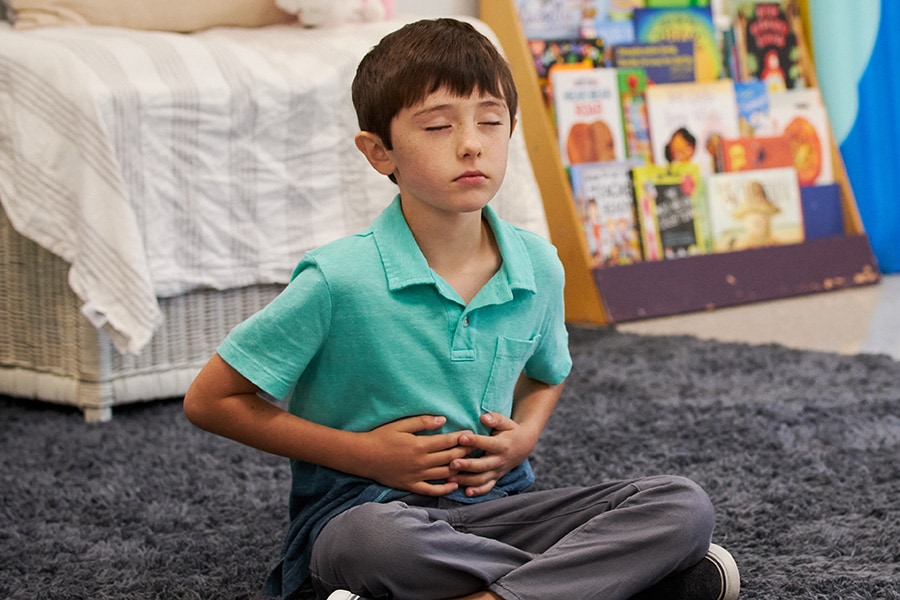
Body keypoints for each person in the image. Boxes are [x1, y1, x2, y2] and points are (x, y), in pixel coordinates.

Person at [183, 18, 740, 600]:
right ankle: (606, 585)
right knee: (373, 545)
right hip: (367, 513)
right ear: (379, 152)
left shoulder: (538, 265)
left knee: (681, 504)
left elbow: (549, 375)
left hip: (502, 510)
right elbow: (211, 400)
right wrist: (368, 454)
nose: (471, 142)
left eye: (491, 122)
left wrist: (523, 438)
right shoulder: (336, 279)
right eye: (439, 125)